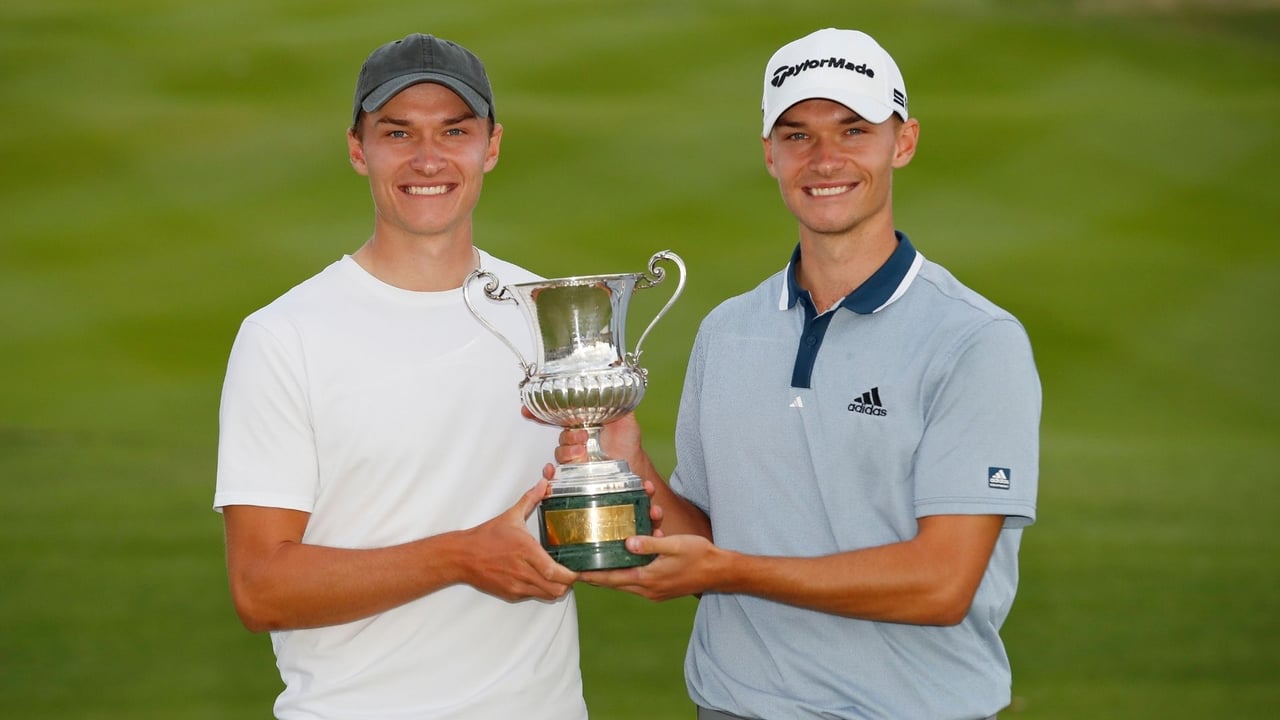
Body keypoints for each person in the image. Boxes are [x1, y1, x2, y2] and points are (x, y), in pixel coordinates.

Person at [557, 28, 1041, 720]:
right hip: (733, 707)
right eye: (797, 135)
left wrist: (733, 573)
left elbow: (942, 583)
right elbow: (709, 538)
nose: (825, 159)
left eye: (853, 130)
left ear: (902, 143)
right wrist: (635, 468)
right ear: (768, 154)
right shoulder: (728, 330)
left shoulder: (974, 340)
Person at [214, 33, 587, 719]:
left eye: (454, 131)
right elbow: (260, 587)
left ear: (492, 147)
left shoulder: (550, 313)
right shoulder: (284, 336)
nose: (428, 159)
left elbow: (607, 529)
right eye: (397, 132)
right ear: (359, 150)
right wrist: (460, 557)